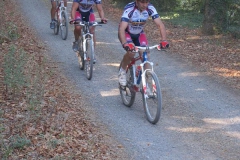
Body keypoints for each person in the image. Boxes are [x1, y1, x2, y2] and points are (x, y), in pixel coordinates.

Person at [118, 0, 169, 86]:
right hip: (127, 33)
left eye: (147, 2)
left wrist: (164, 40)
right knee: (131, 52)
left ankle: (146, 85)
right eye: (142, 2)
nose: (145, 5)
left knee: (146, 55)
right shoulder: (130, 8)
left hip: (139, 34)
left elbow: (160, 24)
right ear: (136, 1)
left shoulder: (150, 8)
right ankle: (122, 71)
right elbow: (122, 28)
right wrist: (125, 43)